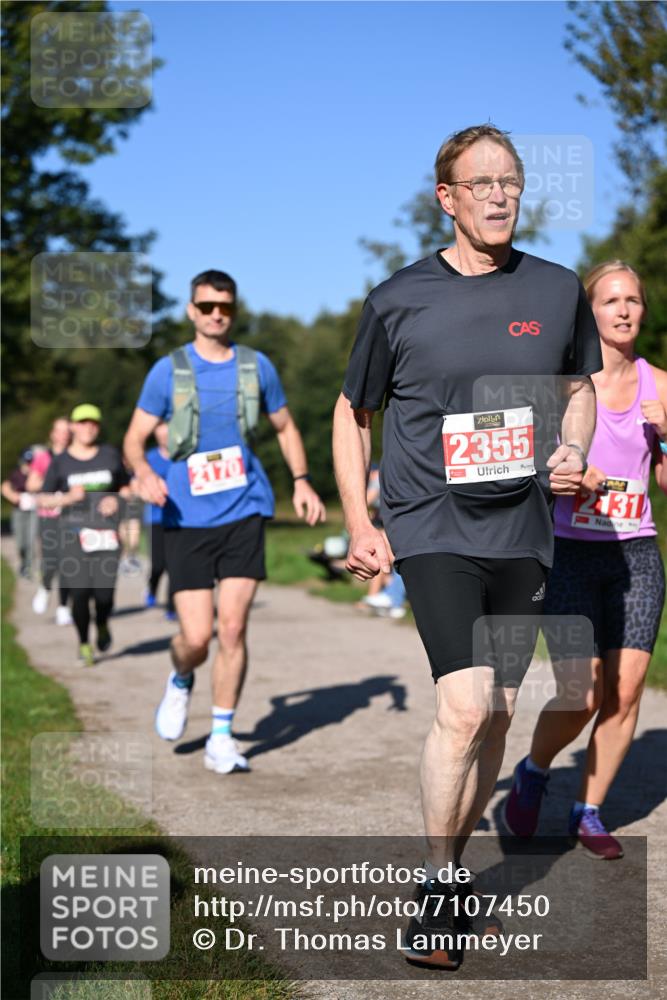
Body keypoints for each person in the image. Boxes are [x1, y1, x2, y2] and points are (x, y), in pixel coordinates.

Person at [332, 123, 603, 969]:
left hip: (522, 529)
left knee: (494, 710)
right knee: (461, 704)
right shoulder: (397, 298)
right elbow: (353, 412)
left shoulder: (557, 290)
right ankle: (442, 884)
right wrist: (359, 518)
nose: (499, 195)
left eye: (511, 182)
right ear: (445, 198)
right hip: (431, 523)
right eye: (480, 183)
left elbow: (579, 388)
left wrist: (571, 449)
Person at [124, 269, 326, 774]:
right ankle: (180, 679)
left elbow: (285, 426)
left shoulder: (257, 367)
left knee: (232, 628)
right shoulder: (166, 372)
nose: (217, 314)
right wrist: (145, 472)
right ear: (192, 311)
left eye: (226, 307)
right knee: (196, 638)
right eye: (208, 306)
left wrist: (301, 481)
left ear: (235, 311)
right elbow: (133, 439)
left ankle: (221, 734)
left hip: (243, 509)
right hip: (185, 515)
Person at [504, 261, 667, 859]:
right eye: (610, 301)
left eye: (634, 300)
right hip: (569, 551)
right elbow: (521, 461)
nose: (624, 310)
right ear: (590, 312)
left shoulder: (662, 386)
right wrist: (566, 471)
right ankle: (536, 768)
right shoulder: (565, 386)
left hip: (637, 554)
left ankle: (588, 811)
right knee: (582, 689)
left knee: (625, 694)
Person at [39, 405, 128, 667]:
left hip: (107, 534)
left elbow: (126, 486)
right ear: (73, 427)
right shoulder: (61, 462)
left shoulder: (110, 455)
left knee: (104, 595)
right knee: (79, 592)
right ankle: (84, 643)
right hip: (72, 534)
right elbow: (43, 497)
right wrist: (67, 498)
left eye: (93, 423)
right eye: (82, 422)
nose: (88, 427)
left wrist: (115, 501)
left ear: (98, 427)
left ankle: (101, 622)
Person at [27, 416, 73, 623]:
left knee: (68, 563)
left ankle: (64, 606)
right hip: (48, 516)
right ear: (52, 434)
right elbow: (31, 484)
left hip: (71, 516)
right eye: (59, 431)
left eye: (67, 431)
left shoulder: (75, 458)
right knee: (51, 560)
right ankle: (45, 588)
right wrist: (50, 483)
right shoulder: (43, 457)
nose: (63, 435)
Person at [142, 421, 176, 619]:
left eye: (168, 432)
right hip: (155, 518)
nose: (165, 436)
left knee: (174, 564)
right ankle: (152, 589)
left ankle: (173, 607)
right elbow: (137, 482)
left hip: (179, 519)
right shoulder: (150, 458)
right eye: (161, 433)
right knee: (158, 565)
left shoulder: (182, 456)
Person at [2, 448, 39, 578]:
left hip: (33, 512)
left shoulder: (36, 475)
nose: (28, 465)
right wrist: (13, 496)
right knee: (21, 542)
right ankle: (23, 563)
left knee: (30, 540)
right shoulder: (15, 475)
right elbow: (5, 487)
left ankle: (29, 567)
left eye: (30, 462)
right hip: (19, 512)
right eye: (26, 462)